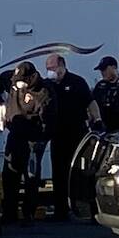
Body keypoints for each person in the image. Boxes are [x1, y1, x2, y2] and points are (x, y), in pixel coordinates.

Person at [0, 61, 51, 225]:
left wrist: (40, 141)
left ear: (32, 77)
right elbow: (1, 80)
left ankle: (28, 213)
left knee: (31, 176)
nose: (18, 84)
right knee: (9, 175)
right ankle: (9, 212)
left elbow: (47, 122)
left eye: (22, 80)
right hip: (15, 135)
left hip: (33, 140)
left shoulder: (43, 93)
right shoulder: (15, 84)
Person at [44, 54, 94, 221]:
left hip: (76, 134)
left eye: (52, 68)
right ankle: (60, 210)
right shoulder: (48, 85)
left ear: (61, 66)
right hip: (57, 135)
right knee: (58, 172)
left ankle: (79, 208)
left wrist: (98, 119)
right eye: (48, 69)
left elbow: (90, 102)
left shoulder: (77, 82)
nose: (50, 72)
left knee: (76, 172)